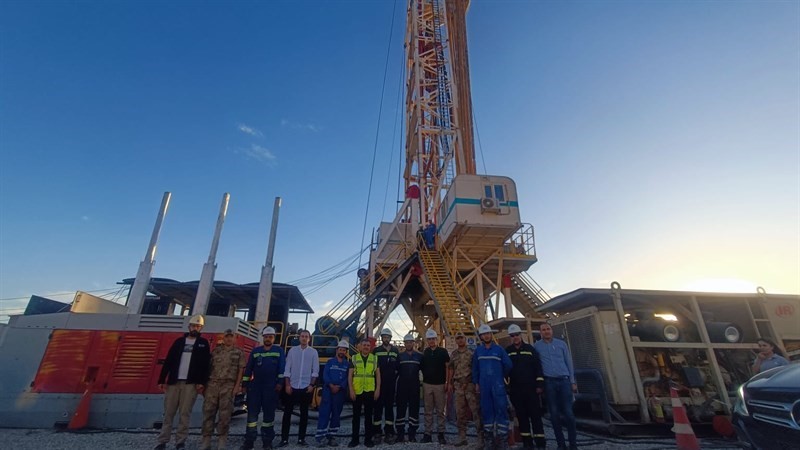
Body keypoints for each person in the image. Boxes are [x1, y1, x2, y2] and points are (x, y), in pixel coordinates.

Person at [155, 314, 211, 450]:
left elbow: (205, 365)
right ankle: (162, 441)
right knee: (169, 412)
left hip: (190, 384)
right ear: (189, 326)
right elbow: (169, 360)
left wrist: (201, 382)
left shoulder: (203, 344)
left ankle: (180, 441)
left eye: (198, 326)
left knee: (185, 413)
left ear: (201, 328)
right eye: (193, 326)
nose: (195, 328)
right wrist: (162, 379)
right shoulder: (179, 342)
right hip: (174, 382)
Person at [534, 323, 577, 450]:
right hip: (549, 382)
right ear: (540, 332)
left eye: (548, 329)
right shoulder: (537, 347)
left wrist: (572, 381)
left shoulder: (561, 344)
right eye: (543, 330)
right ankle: (561, 444)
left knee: (569, 414)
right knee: (554, 414)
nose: (546, 331)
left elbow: (569, 362)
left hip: (564, 381)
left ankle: (573, 444)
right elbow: (536, 365)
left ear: (551, 331)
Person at [241, 326, 286, 450]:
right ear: (263, 337)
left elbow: (282, 368)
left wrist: (280, 383)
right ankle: (249, 441)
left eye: (270, 337)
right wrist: (244, 384)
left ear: (274, 338)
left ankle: (267, 441)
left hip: (271, 387)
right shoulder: (256, 351)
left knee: (268, 416)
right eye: (266, 337)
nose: (268, 339)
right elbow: (249, 368)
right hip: (255, 387)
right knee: (252, 416)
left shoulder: (279, 351)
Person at [201, 329, 246, 450]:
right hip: (212, 384)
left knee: (225, 414)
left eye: (231, 337)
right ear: (224, 338)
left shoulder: (239, 352)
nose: (229, 339)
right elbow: (208, 368)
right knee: (208, 412)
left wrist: (237, 386)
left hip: (228, 386)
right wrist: (204, 385)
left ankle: (222, 439)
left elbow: (240, 371)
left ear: (234, 338)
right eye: (227, 337)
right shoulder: (216, 351)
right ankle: (206, 440)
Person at [505, 324, 545, 450]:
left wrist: (539, 384)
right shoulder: (508, 351)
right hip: (516, 390)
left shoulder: (530, 349)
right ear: (510, 337)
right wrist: (507, 387)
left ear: (520, 335)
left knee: (535, 415)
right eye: (512, 336)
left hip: (531, 389)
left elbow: (538, 367)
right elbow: (505, 370)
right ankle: (527, 442)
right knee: (522, 417)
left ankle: (540, 442)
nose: (515, 337)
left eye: (517, 335)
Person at [472, 324, 512, 450]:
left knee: (501, 410)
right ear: (481, 336)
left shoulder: (499, 350)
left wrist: (501, 376)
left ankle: (503, 440)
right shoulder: (478, 351)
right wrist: (476, 383)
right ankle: (489, 439)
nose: (486, 336)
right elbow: (475, 368)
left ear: (491, 334)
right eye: (484, 334)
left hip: (498, 385)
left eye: (488, 333)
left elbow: (508, 365)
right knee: (486, 411)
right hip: (484, 386)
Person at [280, 329, 320, 447]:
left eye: (306, 336)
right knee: (287, 414)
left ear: (309, 339)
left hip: (305, 387)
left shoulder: (313, 352)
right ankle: (284, 439)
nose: (304, 338)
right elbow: (287, 369)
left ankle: (301, 439)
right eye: (302, 336)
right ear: (299, 338)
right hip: (292, 386)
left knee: (304, 414)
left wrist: (311, 385)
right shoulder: (292, 351)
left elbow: (315, 370)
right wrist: (287, 385)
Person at [447, 331, 483, 448]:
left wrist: (476, 383)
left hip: (470, 385)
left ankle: (480, 438)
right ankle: (462, 437)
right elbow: (451, 368)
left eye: (462, 338)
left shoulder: (472, 353)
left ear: (465, 339)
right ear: (456, 340)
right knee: (460, 413)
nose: (460, 340)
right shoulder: (454, 354)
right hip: (458, 386)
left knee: (476, 412)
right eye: (458, 338)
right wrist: (449, 383)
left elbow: (476, 368)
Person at [315, 340, 351, 447]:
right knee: (324, 413)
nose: (342, 351)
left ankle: (332, 436)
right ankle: (320, 437)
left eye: (344, 350)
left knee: (336, 414)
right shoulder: (330, 362)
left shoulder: (347, 364)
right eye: (340, 349)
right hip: (328, 391)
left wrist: (340, 387)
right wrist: (331, 385)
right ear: (337, 350)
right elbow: (325, 374)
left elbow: (347, 378)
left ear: (346, 352)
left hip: (339, 392)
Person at [348, 338, 381, 448]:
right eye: (364, 345)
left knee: (368, 417)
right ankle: (355, 439)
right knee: (356, 417)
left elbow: (378, 375)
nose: (366, 347)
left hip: (369, 390)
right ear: (360, 347)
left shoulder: (374, 358)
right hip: (357, 390)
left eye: (368, 345)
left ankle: (368, 440)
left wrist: (377, 389)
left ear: (370, 347)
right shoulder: (354, 358)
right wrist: (351, 390)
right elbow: (350, 375)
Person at [420, 328, 449, 445]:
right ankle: (428, 433)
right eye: (429, 339)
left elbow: (447, 367)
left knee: (440, 411)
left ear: (436, 340)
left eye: (433, 339)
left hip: (440, 385)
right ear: (427, 340)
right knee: (428, 410)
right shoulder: (425, 352)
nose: (431, 341)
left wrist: (447, 382)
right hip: (427, 384)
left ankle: (441, 433)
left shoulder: (443, 352)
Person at [372, 328, 400, 444]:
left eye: (388, 337)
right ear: (382, 338)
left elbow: (398, 366)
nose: (386, 339)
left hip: (390, 385)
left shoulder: (395, 351)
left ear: (390, 338)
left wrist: (394, 376)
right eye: (384, 337)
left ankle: (389, 431)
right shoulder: (376, 351)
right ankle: (377, 432)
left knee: (389, 408)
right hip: (379, 384)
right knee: (378, 408)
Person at [395, 333, 423, 443]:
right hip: (402, 386)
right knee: (400, 410)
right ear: (404, 343)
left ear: (414, 343)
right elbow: (396, 372)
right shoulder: (400, 356)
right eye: (407, 342)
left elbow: (424, 370)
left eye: (411, 342)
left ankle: (412, 434)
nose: (409, 344)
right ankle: (400, 434)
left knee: (414, 410)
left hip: (414, 386)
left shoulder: (419, 356)